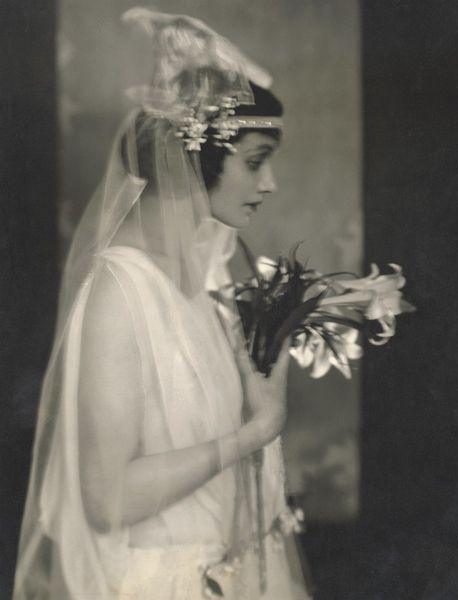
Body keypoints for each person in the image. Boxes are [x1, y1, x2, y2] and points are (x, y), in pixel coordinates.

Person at [13, 10, 312, 600]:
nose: (271, 182)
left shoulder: (203, 282)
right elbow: (106, 499)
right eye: (255, 160)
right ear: (196, 156)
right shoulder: (117, 294)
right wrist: (257, 431)